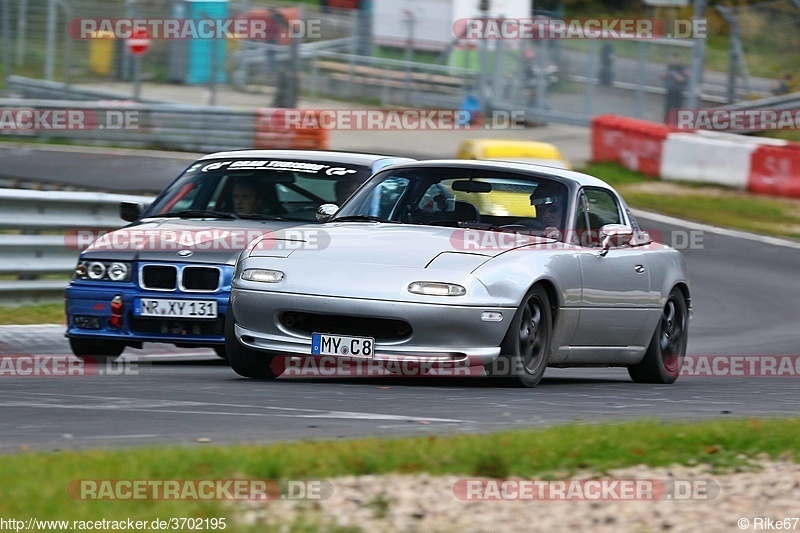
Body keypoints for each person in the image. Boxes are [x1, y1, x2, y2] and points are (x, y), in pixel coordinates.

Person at [663, 53, 689, 125]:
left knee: (677, 108)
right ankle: (666, 122)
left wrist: (680, 78)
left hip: (678, 91)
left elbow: (686, 79)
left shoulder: (683, 68)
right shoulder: (669, 67)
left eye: (676, 59)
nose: (674, 61)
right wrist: (664, 76)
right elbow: (664, 76)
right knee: (668, 108)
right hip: (670, 90)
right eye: (673, 59)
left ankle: (677, 123)